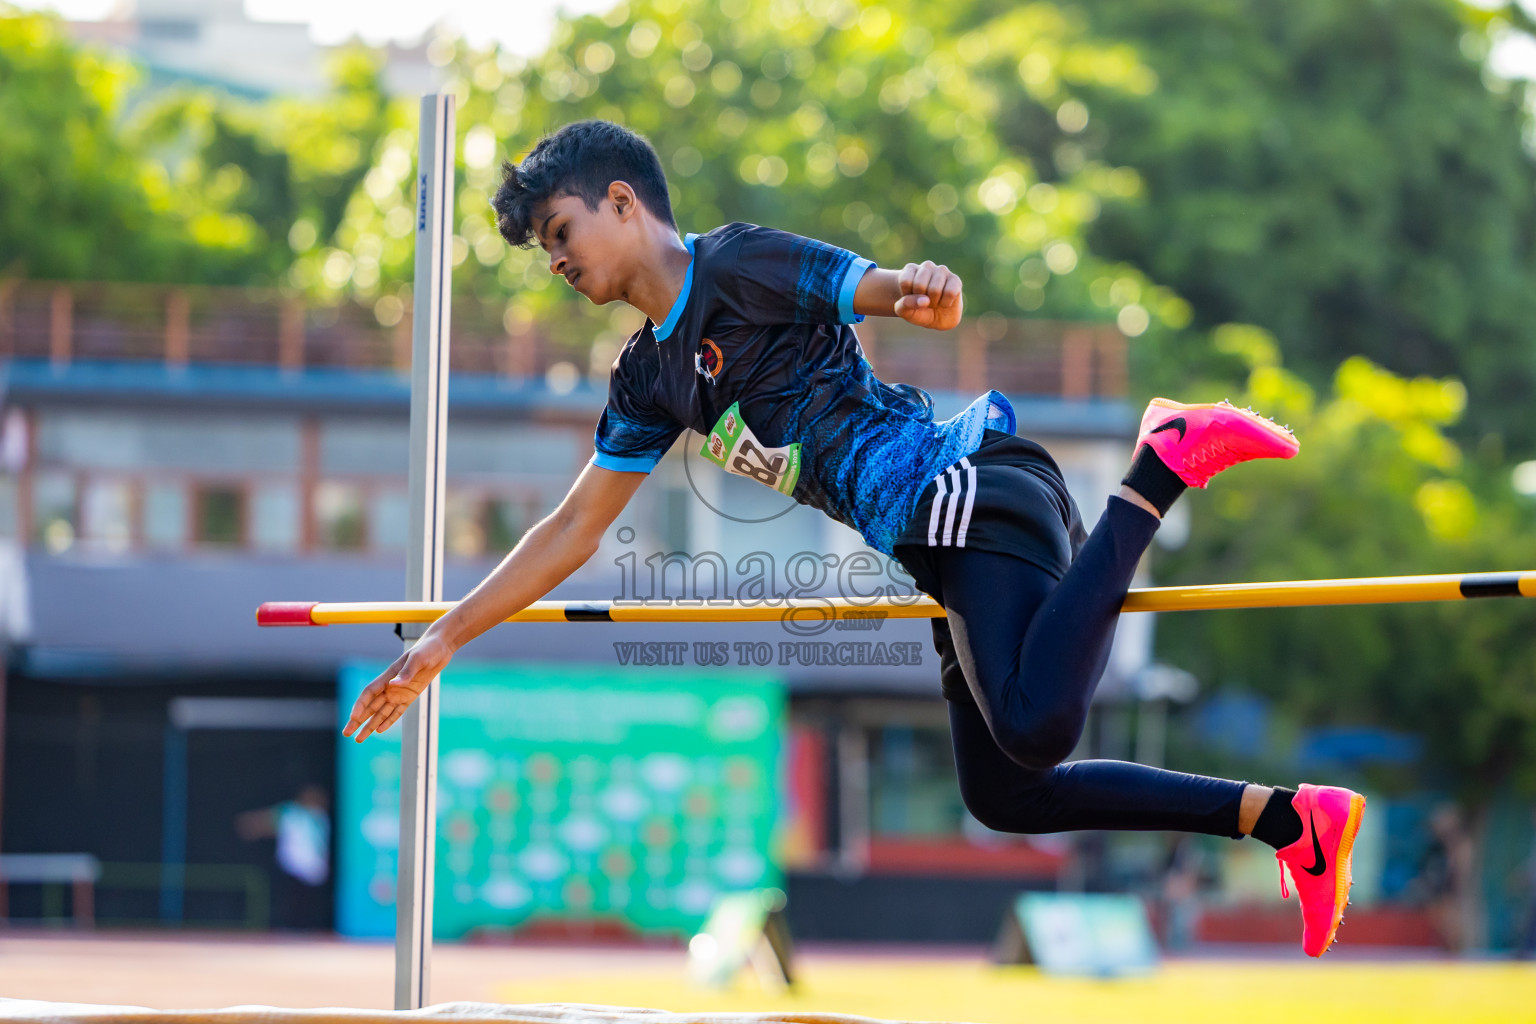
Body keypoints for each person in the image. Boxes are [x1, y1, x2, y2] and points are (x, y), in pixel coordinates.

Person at [342, 120, 1367, 957]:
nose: (556, 261)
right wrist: (445, 635)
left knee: (1040, 723)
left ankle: (1162, 463)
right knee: (1007, 790)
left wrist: (922, 287)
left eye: (561, 232)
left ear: (622, 200)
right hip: (935, 541)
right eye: (544, 251)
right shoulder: (648, 378)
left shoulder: (739, 264)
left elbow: (878, 286)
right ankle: (1289, 820)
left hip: (967, 490)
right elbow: (574, 526)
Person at [236, 784, 332, 931]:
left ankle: (306, 930)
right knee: (291, 902)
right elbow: (266, 821)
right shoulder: (290, 813)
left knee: (309, 905)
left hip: (313, 869)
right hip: (292, 867)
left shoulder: (320, 818)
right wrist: (252, 824)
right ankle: (290, 929)